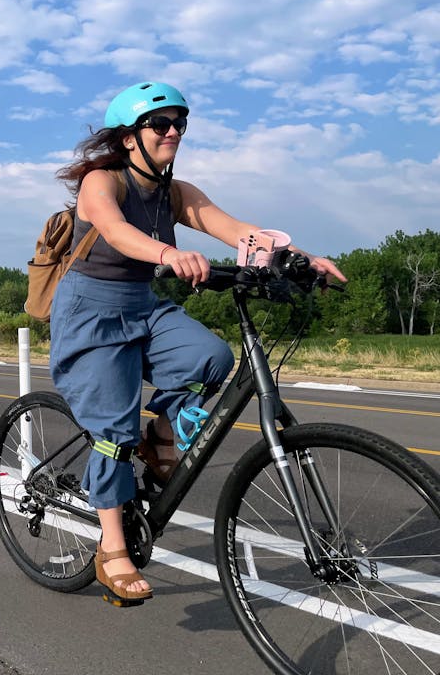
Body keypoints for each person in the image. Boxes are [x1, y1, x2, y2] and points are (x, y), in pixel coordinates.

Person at [51, 81, 346, 606]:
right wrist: (167, 253)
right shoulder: (105, 180)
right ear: (128, 138)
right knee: (113, 430)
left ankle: (161, 439)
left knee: (211, 358)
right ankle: (112, 548)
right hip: (91, 310)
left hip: (142, 304)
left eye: (179, 124)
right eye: (159, 124)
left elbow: (237, 230)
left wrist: (303, 259)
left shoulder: (176, 192)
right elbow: (115, 231)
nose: (172, 132)